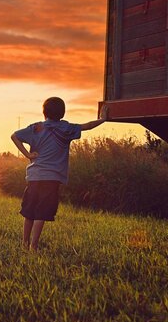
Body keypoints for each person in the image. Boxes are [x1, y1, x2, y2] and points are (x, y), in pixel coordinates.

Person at [11, 97, 106, 250]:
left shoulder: (36, 127)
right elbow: (87, 126)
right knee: (41, 212)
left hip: (34, 177)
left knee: (29, 211)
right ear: (62, 113)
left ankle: (24, 243)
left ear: (44, 113)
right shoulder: (66, 128)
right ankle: (33, 246)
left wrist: (27, 155)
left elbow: (14, 136)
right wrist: (103, 119)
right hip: (52, 178)